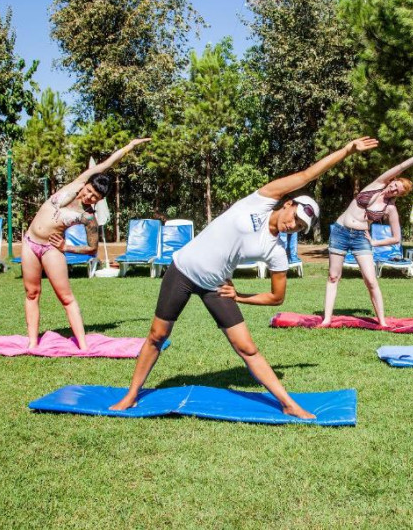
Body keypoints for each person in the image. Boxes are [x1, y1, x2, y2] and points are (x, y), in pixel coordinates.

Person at [110, 137, 380, 418]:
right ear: (288, 203)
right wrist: (346, 150)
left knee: (247, 348)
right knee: (157, 335)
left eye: (300, 227)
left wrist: (239, 296)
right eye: (295, 217)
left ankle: (288, 404)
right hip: (183, 270)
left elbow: (277, 297)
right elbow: (306, 175)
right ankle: (131, 395)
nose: (293, 225)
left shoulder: (277, 251)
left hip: (216, 286)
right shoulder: (261, 202)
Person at [22, 138, 151, 350]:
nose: (89, 196)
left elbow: (92, 249)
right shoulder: (77, 184)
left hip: (50, 249)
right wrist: (130, 146)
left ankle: (83, 346)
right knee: (31, 293)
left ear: (99, 200)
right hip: (29, 242)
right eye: (89, 191)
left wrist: (66, 248)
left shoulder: (88, 217)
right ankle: (32, 343)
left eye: (95, 197)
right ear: (86, 184)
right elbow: (106, 164)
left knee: (66, 297)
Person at [320, 146, 413, 328]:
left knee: (371, 280)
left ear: (399, 195)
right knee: (333, 276)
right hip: (340, 231)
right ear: (391, 181)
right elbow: (402, 166)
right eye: (394, 184)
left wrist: (375, 242)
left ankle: (382, 321)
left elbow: (396, 238)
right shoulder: (377, 184)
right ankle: (326, 319)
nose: (393, 189)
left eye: (397, 190)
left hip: (361, 238)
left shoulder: (390, 209)